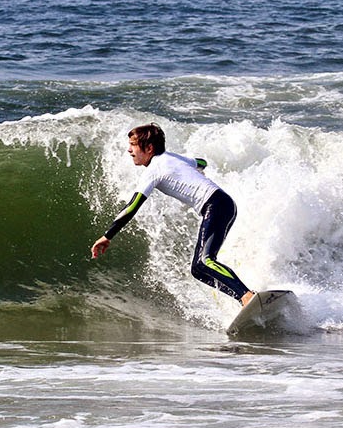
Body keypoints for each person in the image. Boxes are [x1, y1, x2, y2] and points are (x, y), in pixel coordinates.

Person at [90, 123, 256, 307]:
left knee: (206, 260)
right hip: (224, 203)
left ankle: (247, 295)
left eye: (133, 145)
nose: (129, 150)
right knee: (198, 269)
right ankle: (244, 298)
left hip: (214, 205)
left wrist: (107, 236)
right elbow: (201, 162)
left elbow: (131, 207)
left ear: (149, 148)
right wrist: (192, 172)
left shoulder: (154, 170)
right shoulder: (170, 157)